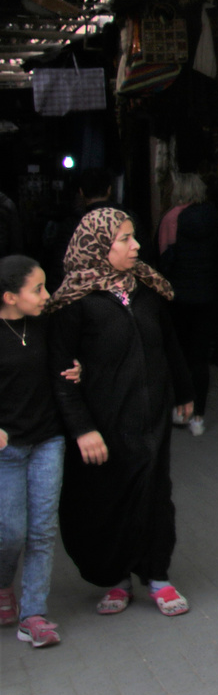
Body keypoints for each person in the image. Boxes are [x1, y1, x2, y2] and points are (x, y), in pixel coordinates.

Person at [46, 208, 194, 618]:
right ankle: (117, 578)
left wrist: (184, 390)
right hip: (105, 422)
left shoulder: (146, 289)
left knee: (155, 494)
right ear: (98, 246)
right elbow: (60, 372)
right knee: (110, 499)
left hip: (151, 417)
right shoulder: (74, 303)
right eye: (125, 239)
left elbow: (169, 344)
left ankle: (157, 577)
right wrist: (81, 428)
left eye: (134, 237)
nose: (137, 246)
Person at [0, 256, 81, 648]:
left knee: (42, 529)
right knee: (10, 532)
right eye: (37, 289)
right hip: (8, 449)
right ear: (9, 297)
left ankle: (33, 615)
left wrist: (76, 369)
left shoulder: (46, 324)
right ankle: (2, 584)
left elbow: (62, 362)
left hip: (48, 440)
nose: (46, 295)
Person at [157, 175, 218, 437]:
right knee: (199, 358)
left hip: (179, 297)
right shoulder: (213, 216)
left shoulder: (172, 218)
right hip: (208, 296)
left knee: (179, 355)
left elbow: (164, 259)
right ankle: (198, 417)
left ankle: (180, 410)